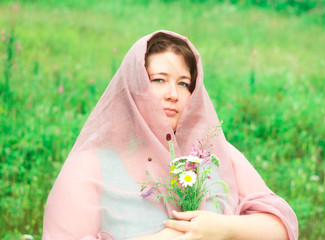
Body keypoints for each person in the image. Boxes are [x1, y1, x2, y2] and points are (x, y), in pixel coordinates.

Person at [42, 30, 298, 240]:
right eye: (159, 80)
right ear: (134, 87)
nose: (172, 94)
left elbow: (282, 226)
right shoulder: (91, 165)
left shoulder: (213, 153)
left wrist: (221, 228)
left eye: (183, 83)